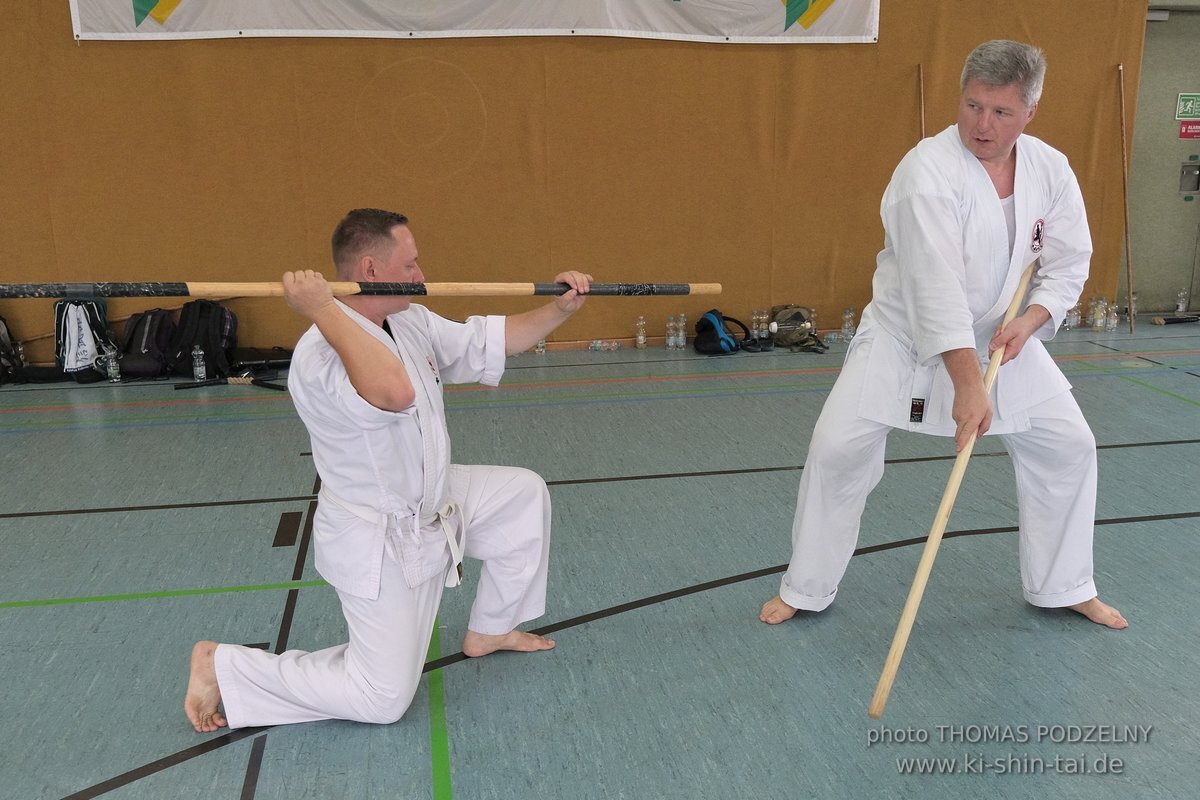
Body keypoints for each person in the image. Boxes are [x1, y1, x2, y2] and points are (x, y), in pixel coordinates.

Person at [760, 40, 1127, 630]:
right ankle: (806, 586)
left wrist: (1031, 323)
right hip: (906, 336)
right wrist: (967, 385)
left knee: (1068, 446)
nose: (983, 124)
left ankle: (1064, 585)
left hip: (1003, 338)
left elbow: (1068, 263)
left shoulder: (1050, 168)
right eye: (973, 105)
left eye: (1001, 112)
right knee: (838, 450)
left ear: (1030, 113)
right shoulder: (925, 173)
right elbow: (933, 292)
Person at [185, 208, 593, 732]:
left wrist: (561, 309)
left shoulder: (407, 320)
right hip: (378, 535)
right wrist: (322, 309)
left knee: (521, 494)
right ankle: (224, 665)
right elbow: (393, 392)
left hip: (433, 496)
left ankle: (491, 629)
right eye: (413, 263)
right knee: (381, 699)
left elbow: (495, 341)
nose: (423, 275)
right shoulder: (320, 356)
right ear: (374, 269)